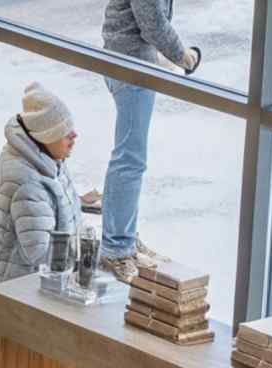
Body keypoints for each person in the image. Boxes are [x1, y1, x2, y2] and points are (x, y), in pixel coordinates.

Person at [0, 83, 83, 329]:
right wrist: (88, 255)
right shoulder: (26, 181)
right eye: (64, 131)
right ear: (44, 136)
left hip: (16, 295)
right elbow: (41, 253)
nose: (74, 136)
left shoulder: (48, 161)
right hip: (4, 306)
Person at [98, 0, 201, 281]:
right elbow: (152, 22)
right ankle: (116, 247)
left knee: (128, 156)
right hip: (131, 66)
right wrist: (183, 56)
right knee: (130, 160)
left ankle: (125, 238)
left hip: (129, 59)